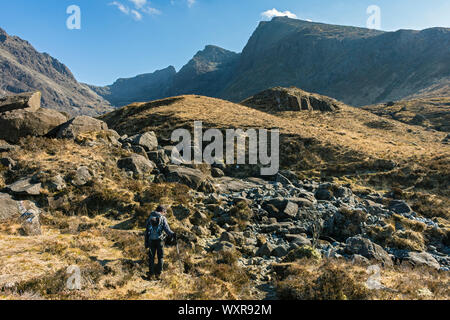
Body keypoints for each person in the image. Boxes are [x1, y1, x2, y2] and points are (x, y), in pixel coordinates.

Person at [144, 205, 176, 279]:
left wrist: (146, 242)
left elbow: (146, 231)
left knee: (151, 257)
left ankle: (151, 274)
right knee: (160, 257)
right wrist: (173, 234)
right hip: (160, 240)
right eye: (164, 212)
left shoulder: (150, 217)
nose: (165, 213)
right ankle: (159, 274)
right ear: (161, 211)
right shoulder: (163, 218)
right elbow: (167, 230)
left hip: (151, 240)